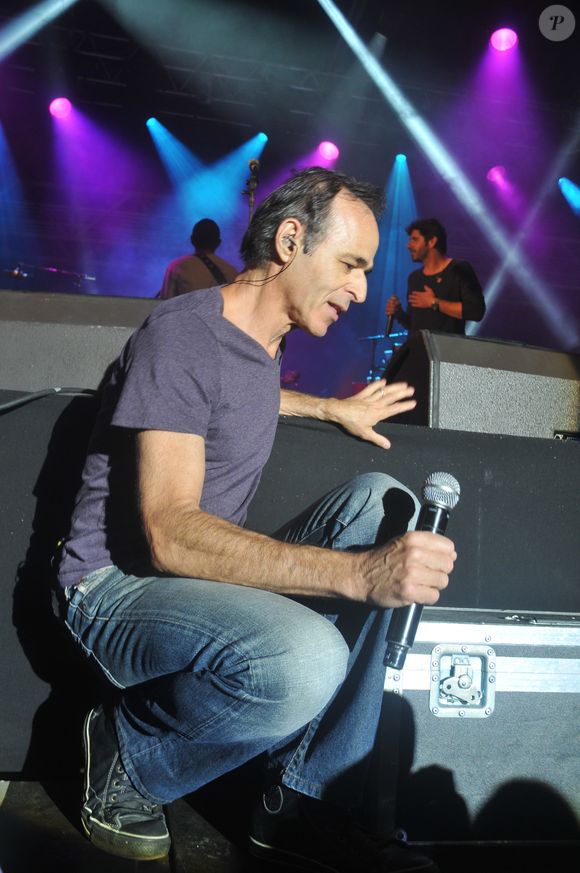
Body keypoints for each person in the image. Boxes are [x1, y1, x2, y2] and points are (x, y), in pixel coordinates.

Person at [57, 168, 456, 873]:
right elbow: (168, 533)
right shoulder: (183, 333)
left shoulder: (261, 339)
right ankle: (131, 752)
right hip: (113, 587)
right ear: (290, 240)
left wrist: (328, 407)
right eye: (351, 264)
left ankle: (300, 800)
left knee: (381, 501)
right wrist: (359, 575)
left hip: (191, 583)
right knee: (306, 657)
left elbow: (233, 392)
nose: (362, 289)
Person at [385, 218, 485, 335]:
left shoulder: (459, 269)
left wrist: (434, 302)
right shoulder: (414, 278)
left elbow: (476, 311)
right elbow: (414, 324)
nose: (408, 245)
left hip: (447, 346)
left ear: (432, 241)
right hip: (418, 346)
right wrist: (399, 313)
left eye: (415, 240)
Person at [157, 217, 238, 299]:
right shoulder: (232, 272)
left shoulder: (176, 267)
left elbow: (165, 303)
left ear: (192, 240)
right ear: (218, 243)